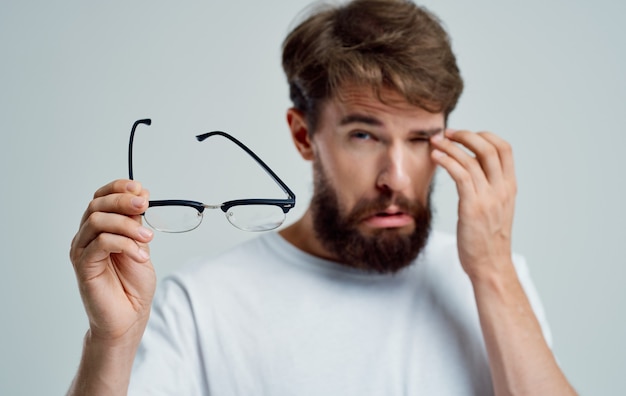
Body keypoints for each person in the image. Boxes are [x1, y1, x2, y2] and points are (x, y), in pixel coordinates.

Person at [68, 0, 577, 394]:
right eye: (364, 135)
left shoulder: (493, 281)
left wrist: (492, 269)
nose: (396, 178)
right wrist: (109, 341)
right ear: (303, 134)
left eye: (421, 138)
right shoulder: (199, 306)